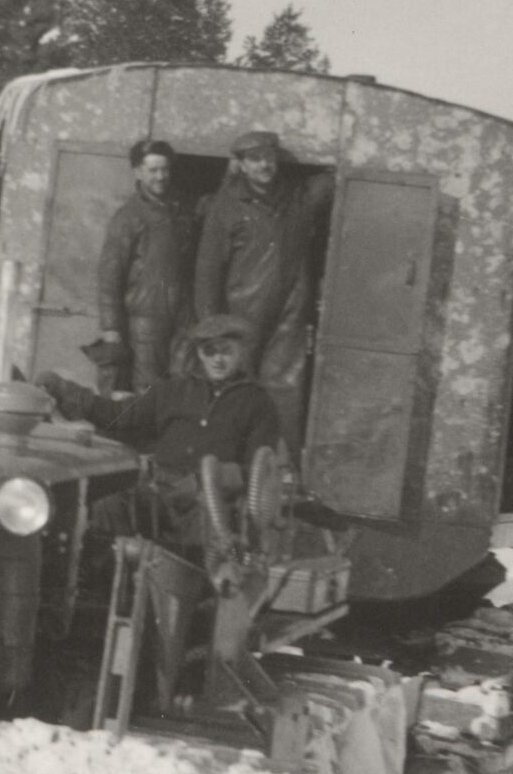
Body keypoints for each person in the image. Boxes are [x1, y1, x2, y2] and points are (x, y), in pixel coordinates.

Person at [36, 313, 286, 546]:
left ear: (240, 352)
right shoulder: (173, 389)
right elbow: (120, 416)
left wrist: (207, 480)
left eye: (226, 352)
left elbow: (259, 471)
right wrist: (66, 391)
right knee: (107, 507)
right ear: (200, 353)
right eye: (210, 351)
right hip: (160, 490)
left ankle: (222, 584)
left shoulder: (257, 402)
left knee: (222, 541)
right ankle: (108, 584)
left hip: (210, 502)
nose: (218, 359)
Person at [192, 129, 333, 441]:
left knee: (286, 386)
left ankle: (280, 464)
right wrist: (211, 323)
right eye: (254, 159)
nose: (263, 165)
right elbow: (208, 269)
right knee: (235, 385)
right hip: (241, 314)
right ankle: (225, 458)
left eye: (268, 157)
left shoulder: (297, 198)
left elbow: (335, 181)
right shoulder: (226, 206)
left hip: (290, 312)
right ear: (240, 165)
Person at [95, 137, 200, 393]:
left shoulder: (181, 209)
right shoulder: (129, 217)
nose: (161, 176)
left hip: (182, 314)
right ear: (138, 172)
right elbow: (109, 275)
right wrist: (111, 328)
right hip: (145, 318)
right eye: (153, 170)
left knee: (183, 381)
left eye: (165, 169)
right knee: (148, 386)